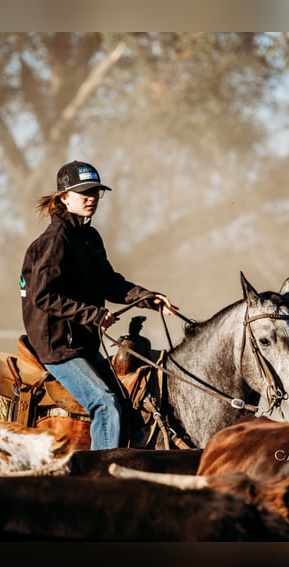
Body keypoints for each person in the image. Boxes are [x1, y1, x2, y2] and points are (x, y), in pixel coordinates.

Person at [19, 160, 177, 450]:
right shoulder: (54, 242)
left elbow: (110, 283)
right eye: (84, 193)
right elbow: (42, 296)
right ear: (64, 197)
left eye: (95, 193)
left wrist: (149, 298)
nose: (92, 198)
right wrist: (93, 315)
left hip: (83, 344)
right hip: (58, 347)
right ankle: (101, 478)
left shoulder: (90, 238)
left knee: (128, 403)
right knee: (106, 405)